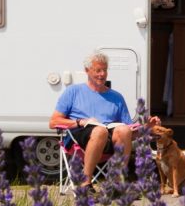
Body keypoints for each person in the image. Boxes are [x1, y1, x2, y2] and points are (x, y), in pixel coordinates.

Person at [50, 52, 152, 183]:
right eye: (98, 70)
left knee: (124, 130)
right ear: (87, 71)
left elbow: (129, 134)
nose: (102, 74)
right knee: (99, 131)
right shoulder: (73, 91)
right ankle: (85, 182)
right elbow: (53, 122)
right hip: (78, 138)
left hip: (108, 140)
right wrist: (81, 122)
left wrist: (147, 128)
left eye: (104, 70)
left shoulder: (116, 97)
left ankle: (117, 183)